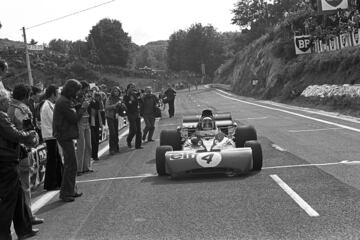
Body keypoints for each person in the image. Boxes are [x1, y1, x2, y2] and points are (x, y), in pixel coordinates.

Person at [0, 88, 40, 240]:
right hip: (6, 161)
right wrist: (29, 135)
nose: (7, 103)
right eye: (5, 101)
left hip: (8, 158)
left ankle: (24, 229)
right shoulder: (1, 116)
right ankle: (4, 234)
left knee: (18, 196)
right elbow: (14, 134)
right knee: (9, 200)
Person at [7, 84, 44, 226]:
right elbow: (28, 130)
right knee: (25, 185)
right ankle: (28, 215)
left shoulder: (8, 107)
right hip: (21, 151)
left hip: (10, 152)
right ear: (26, 96)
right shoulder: (21, 109)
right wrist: (34, 140)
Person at [53, 79, 88, 202]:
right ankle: (66, 193)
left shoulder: (65, 100)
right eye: (77, 90)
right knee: (70, 164)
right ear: (72, 89)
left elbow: (72, 112)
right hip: (64, 135)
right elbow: (74, 118)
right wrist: (83, 108)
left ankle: (71, 190)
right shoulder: (64, 102)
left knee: (71, 164)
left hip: (65, 134)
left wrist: (79, 105)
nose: (78, 93)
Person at [40, 85, 63, 191]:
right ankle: (51, 184)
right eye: (57, 93)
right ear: (53, 94)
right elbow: (54, 119)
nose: (58, 95)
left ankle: (58, 181)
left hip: (52, 135)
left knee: (56, 159)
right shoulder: (47, 105)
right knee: (53, 160)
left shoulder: (50, 104)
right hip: (50, 135)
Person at [75, 81, 93, 175]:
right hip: (80, 122)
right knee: (81, 146)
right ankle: (79, 169)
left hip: (87, 121)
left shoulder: (87, 96)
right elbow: (76, 110)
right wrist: (83, 105)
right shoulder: (76, 97)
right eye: (86, 89)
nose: (87, 91)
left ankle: (87, 166)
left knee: (88, 145)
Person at [123, 83, 142, 149]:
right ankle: (129, 140)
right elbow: (126, 104)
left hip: (136, 113)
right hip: (130, 113)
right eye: (131, 87)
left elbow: (140, 102)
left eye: (134, 87)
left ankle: (138, 145)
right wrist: (129, 96)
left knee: (139, 130)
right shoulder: (126, 96)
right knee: (134, 129)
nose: (133, 88)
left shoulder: (136, 94)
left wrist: (139, 96)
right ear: (128, 88)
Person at [105, 87, 122, 155]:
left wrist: (121, 105)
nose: (116, 92)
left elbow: (122, 107)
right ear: (112, 92)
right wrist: (115, 105)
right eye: (115, 91)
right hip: (110, 117)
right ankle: (111, 149)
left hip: (116, 117)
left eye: (117, 91)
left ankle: (116, 148)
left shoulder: (120, 99)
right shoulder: (109, 99)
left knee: (116, 133)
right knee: (112, 133)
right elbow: (106, 107)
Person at [89, 92, 104, 160]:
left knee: (96, 140)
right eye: (96, 96)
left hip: (96, 123)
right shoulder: (92, 102)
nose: (98, 97)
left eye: (99, 96)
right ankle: (93, 155)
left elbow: (99, 113)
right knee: (93, 140)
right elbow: (93, 113)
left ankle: (95, 155)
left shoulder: (98, 103)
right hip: (92, 123)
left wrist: (101, 123)